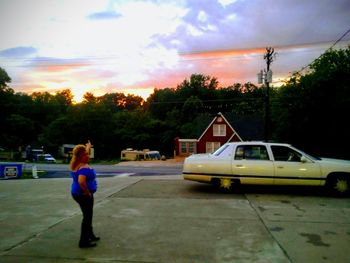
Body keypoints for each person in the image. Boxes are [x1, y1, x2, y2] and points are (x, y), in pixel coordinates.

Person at [69, 141, 100, 248]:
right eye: (85, 155)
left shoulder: (76, 163)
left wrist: (88, 147)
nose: (88, 156)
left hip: (76, 192)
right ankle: (84, 242)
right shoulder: (84, 168)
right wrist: (87, 192)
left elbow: (82, 153)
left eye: (87, 154)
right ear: (80, 157)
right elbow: (81, 181)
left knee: (88, 215)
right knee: (87, 217)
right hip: (83, 195)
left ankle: (90, 235)